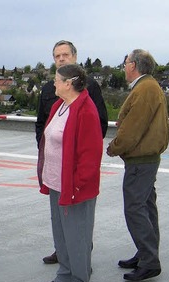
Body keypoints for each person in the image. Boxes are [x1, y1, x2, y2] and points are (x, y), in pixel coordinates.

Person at [35, 40, 108, 265]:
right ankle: (62, 254)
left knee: (78, 220)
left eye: (65, 55)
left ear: (75, 57)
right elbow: (40, 123)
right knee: (58, 218)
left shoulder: (89, 88)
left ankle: (81, 262)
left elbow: (99, 124)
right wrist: (45, 147)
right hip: (54, 166)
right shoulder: (50, 89)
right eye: (57, 56)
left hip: (74, 166)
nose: (61, 59)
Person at [37, 64, 102, 282]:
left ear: (68, 83)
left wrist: (77, 185)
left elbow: (91, 154)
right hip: (56, 182)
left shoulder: (86, 111)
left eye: (56, 79)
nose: (53, 83)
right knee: (61, 233)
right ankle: (64, 276)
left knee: (78, 235)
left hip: (75, 187)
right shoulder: (59, 106)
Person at [106, 49, 169, 282]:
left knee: (135, 207)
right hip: (145, 158)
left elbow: (133, 127)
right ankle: (146, 253)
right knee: (145, 206)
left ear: (133, 65)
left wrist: (115, 146)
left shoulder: (145, 89)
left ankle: (150, 261)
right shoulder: (148, 86)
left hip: (141, 160)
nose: (123, 67)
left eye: (125, 63)